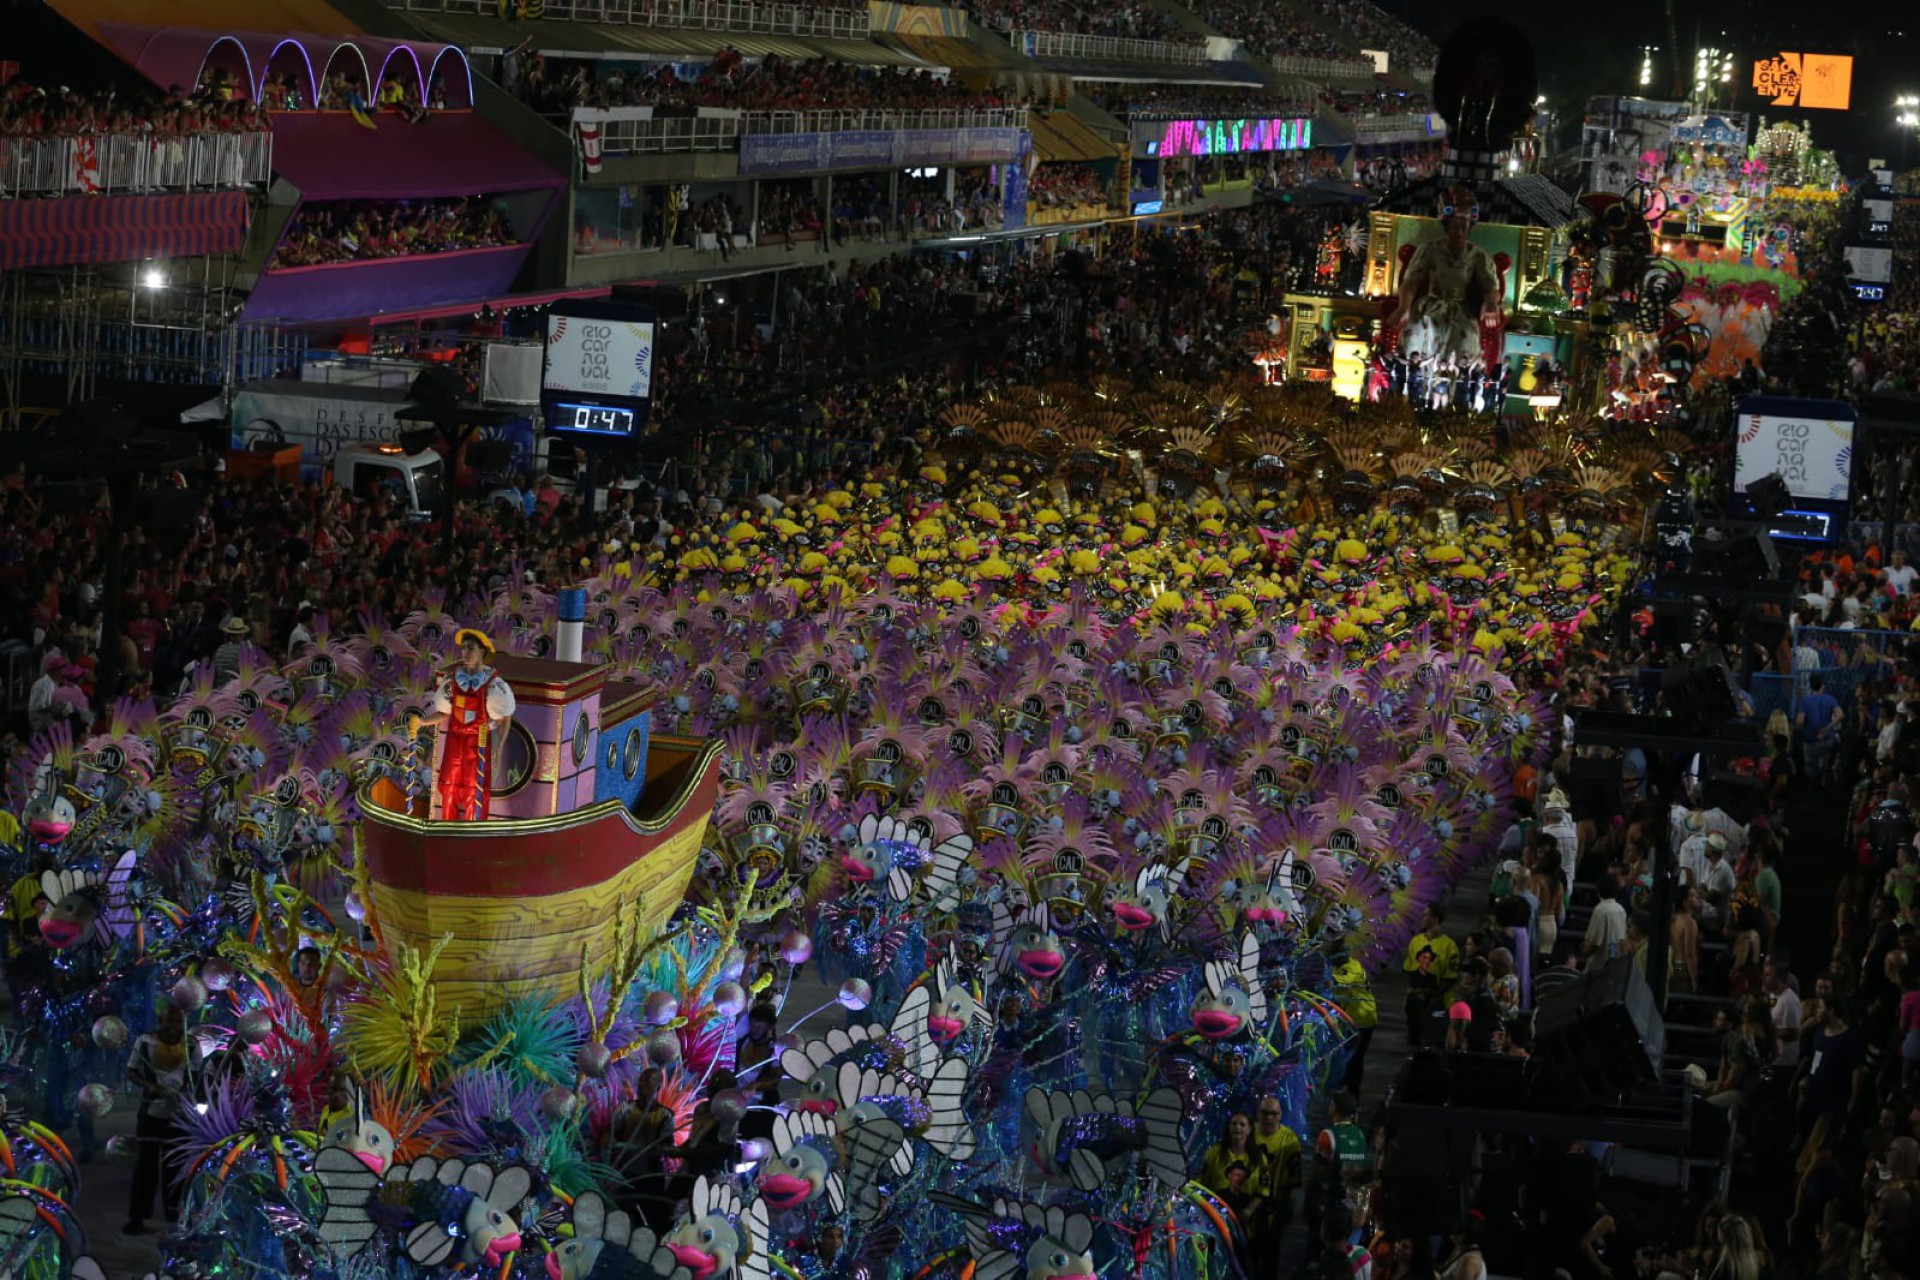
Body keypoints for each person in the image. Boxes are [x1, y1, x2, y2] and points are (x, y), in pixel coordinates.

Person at [1390, 185, 1502, 365]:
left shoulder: (1478, 255)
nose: (1458, 231)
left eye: (1463, 226)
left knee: (1464, 339)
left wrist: (1490, 303)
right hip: (1431, 305)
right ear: (1446, 224)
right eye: (1454, 225)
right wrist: (1404, 306)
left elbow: (1490, 286)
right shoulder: (1430, 249)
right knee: (1418, 331)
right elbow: (1411, 280)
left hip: (1461, 309)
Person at [418, 628, 517, 821]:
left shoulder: (494, 686)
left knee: (475, 792)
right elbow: (443, 713)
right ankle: (447, 833)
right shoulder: (452, 681)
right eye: (463, 648)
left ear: (482, 652)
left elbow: (504, 719)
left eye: (470, 648)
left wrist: (497, 747)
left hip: (477, 747)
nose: (465, 653)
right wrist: (422, 722)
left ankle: (472, 838)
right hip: (454, 745)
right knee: (449, 788)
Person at [125, 1004, 204, 1234]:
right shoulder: (145, 1041)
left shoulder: (191, 1044)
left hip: (179, 1114)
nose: (172, 1027)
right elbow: (131, 1071)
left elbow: (196, 1077)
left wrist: (191, 1098)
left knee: (176, 1166)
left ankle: (174, 1213)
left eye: (177, 1022)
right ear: (161, 1021)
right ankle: (137, 1217)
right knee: (145, 1168)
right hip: (151, 1113)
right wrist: (151, 1087)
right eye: (168, 1022)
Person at [1252, 1095, 1302, 1275]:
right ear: (1258, 1114)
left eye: (1273, 1114)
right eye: (1265, 1113)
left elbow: (1294, 1180)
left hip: (1275, 1205)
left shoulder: (1289, 1140)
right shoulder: (1249, 1132)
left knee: (1271, 1253)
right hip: (1250, 1202)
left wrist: (1288, 1209)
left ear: (1280, 1115)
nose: (1269, 1118)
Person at [1402, 905, 1458, 1046]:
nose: (1422, 918)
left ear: (1435, 919)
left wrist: (1432, 997)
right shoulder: (1416, 941)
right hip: (1414, 999)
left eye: (1426, 915)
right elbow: (1409, 969)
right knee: (1413, 1036)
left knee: (1432, 1038)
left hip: (1435, 1002)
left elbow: (1450, 977)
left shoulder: (1449, 946)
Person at [1328, 942, 1378, 1093]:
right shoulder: (1337, 967)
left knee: (1355, 1059)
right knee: (1346, 1057)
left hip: (1362, 1018)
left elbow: (1338, 982)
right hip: (1350, 1018)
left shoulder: (1352, 967)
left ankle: (1352, 1096)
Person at [1797, 674, 1841, 781]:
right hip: (1828, 740)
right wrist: (1827, 727)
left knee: (1811, 772)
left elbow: (1800, 721)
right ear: (1822, 686)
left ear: (1810, 686)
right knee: (1826, 766)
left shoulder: (1806, 701)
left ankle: (1812, 788)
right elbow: (1840, 715)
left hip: (1811, 741)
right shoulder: (1830, 699)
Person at [1583, 873, 1628, 968]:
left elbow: (1594, 943)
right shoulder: (1621, 909)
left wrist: (1585, 950)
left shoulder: (1600, 910)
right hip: (1616, 961)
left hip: (1600, 964)